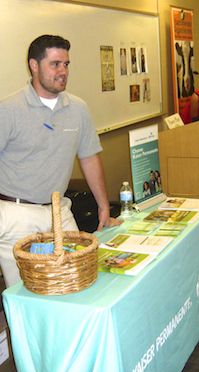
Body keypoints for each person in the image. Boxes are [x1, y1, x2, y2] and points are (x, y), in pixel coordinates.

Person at [0, 34, 119, 288]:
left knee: (75, 283)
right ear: (34, 65)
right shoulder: (8, 110)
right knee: (29, 293)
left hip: (59, 212)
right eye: (55, 64)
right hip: (17, 214)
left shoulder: (78, 108)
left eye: (66, 64)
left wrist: (103, 206)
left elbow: (89, 158)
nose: (63, 71)